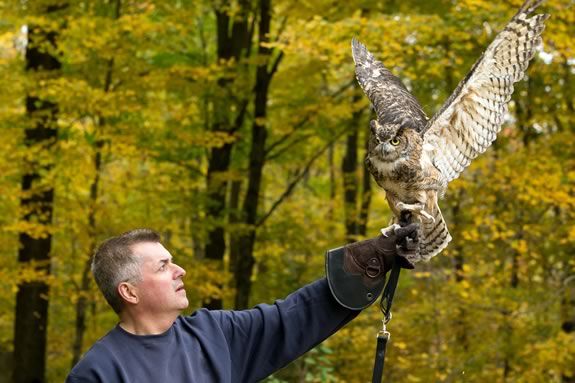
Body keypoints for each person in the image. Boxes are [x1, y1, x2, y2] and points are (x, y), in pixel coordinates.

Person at [67, 224, 418, 383]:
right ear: (129, 292)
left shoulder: (213, 335)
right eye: (163, 266)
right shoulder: (98, 373)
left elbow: (292, 318)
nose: (179, 270)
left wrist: (375, 258)